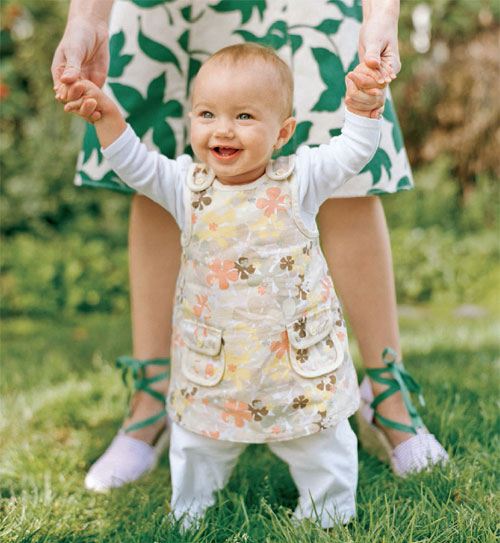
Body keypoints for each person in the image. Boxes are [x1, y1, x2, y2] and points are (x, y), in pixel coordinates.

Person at [51, 0, 447, 491]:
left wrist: (379, 32)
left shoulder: (300, 175)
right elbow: (138, 164)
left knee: (343, 162)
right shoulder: (181, 179)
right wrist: (88, 27)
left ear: (284, 133)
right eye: (209, 116)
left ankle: (386, 394)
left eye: (240, 117)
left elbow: (352, 154)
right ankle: (155, 398)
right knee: (156, 159)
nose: (222, 129)